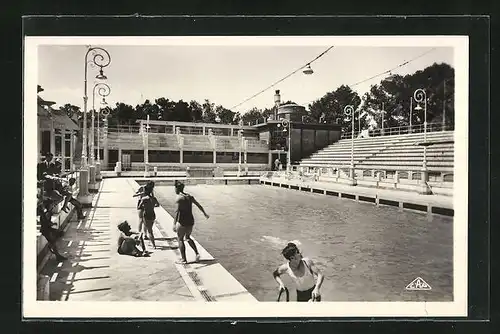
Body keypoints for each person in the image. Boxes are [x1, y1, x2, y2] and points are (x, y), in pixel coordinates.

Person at [173, 181, 209, 264]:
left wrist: (174, 224)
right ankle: (197, 253)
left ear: (176, 189)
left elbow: (177, 212)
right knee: (188, 237)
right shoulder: (190, 197)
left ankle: (183, 259)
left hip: (182, 221)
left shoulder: (178, 198)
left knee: (180, 239)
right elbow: (199, 205)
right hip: (190, 220)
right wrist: (205, 214)